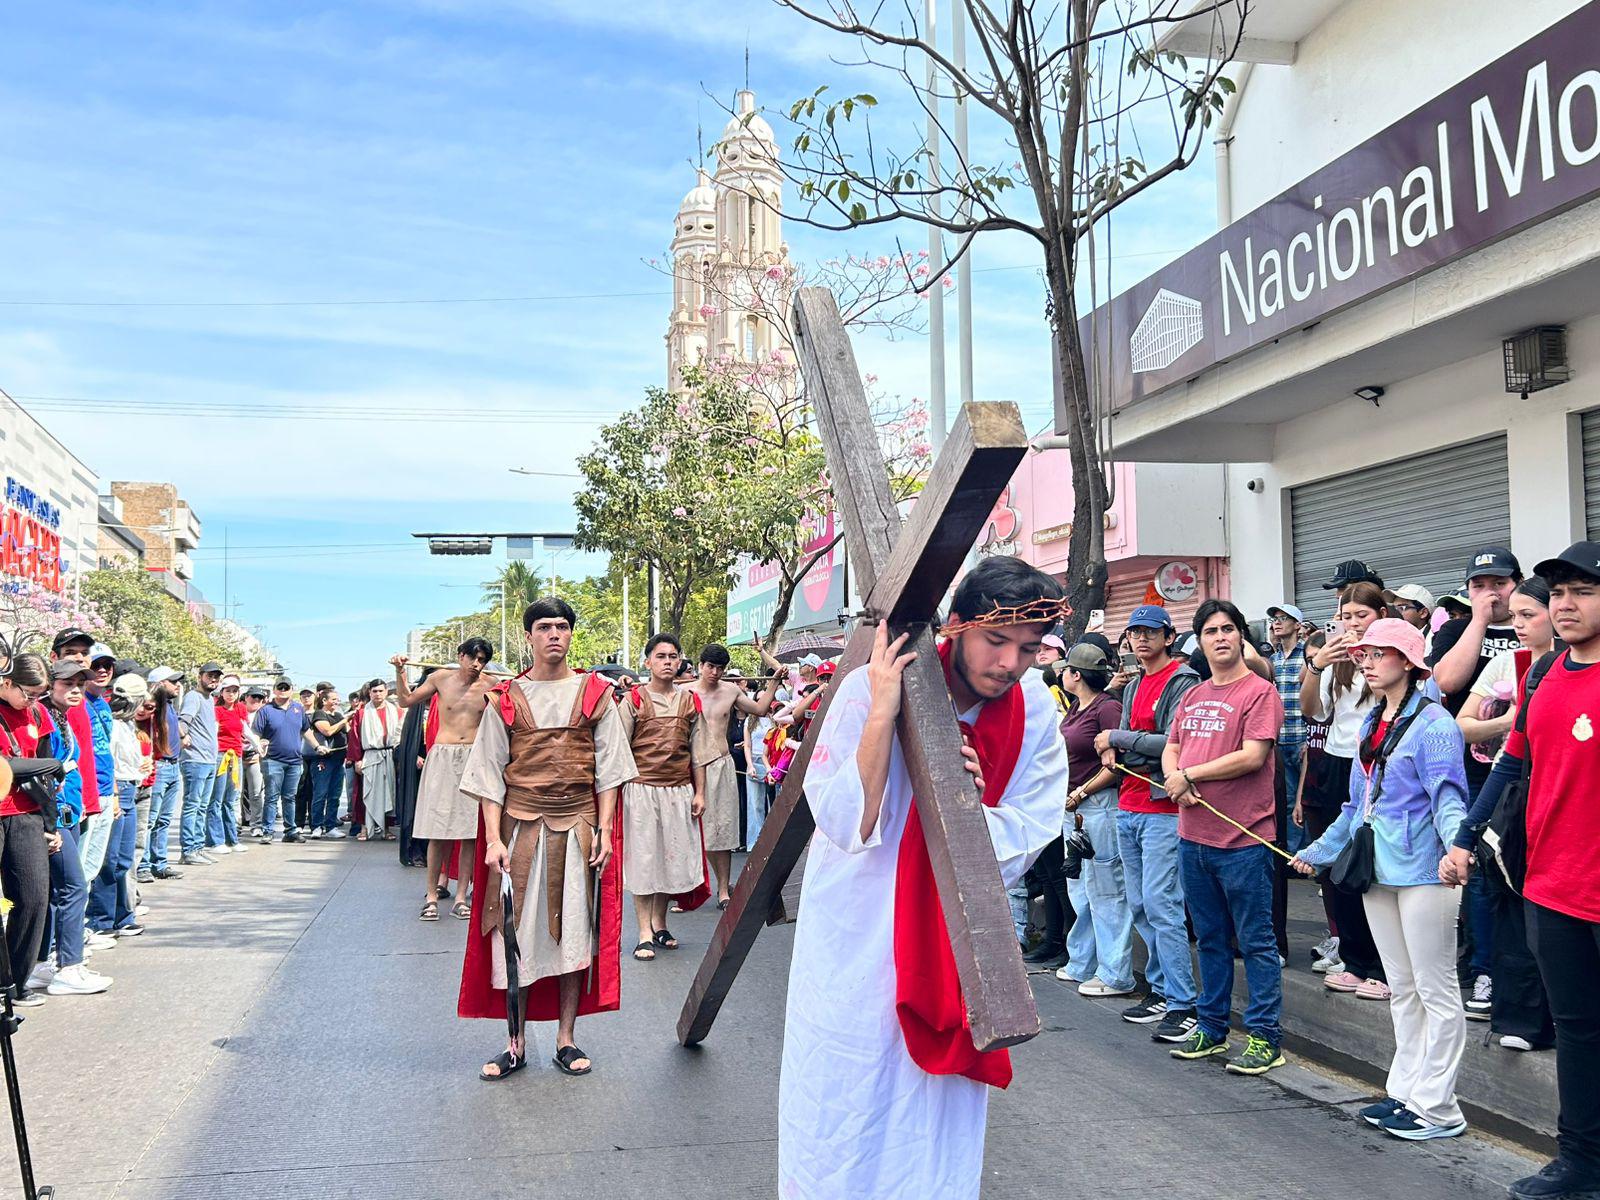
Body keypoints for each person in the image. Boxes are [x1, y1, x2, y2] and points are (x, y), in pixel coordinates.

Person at [778, 556, 1067, 1200]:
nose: (1009, 664)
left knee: (934, 1122)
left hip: (953, 937)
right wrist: (883, 713)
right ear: (957, 625)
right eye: (996, 641)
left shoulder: (1035, 712)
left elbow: (1033, 822)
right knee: (843, 1102)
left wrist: (969, 805)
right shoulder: (866, 686)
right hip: (857, 932)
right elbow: (845, 821)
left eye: (1027, 649)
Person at [1444, 543, 1600, 1200]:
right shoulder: (1542, 674)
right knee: (1576, 1034)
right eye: (1556, 593)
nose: (1564, 605)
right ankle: (1581, 1165)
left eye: (1581, 592)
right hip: (1552, 888)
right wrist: (1464, 838)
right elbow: (1512, 762)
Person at [1293, 618, 1469, 1141]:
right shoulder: (1372, 721)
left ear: (1410, 662)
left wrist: (1458, 850)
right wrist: (1318, 851)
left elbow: (1449, 798)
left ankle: (1439, 1108)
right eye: (1364, 654)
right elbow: (1355, 807)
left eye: (1379, 653)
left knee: (1436, 991)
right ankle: (1406, 1093)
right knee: (1403, 989)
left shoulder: (1435, 724)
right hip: (1378, 872)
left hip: (1425, 873)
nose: (1366, 662)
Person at [458, 597, 636, 1080]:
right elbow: (489, 774)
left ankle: (566, 1038)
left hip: (577, 829)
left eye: (561, 626)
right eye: (544, 627)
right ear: (530, 637)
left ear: (571, 634)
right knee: (513, 935)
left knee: (575, 935)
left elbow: (610, 772)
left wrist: (605, 830)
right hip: (519, 831)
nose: (554, 633)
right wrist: (493, 839)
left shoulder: (597, 694)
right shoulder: (507, 697)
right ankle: (514, 1045)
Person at [1163, 601, 1286, 1074]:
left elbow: (1253, 756)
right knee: (1210, 939)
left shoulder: (1260, 693)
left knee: (1256, 942)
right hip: (1193, 838)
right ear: (1199, 641)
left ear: (1241, 638)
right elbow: (1173, 745)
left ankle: (1264, 1037)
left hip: (1245, 840)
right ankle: (1211, 1028)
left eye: (1228, 629)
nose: (1220, 638)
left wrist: (1189, 775)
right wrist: (1177, 777)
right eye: (1210, 631)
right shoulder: (1192, 696)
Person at [1453, 577, 1556, 1045]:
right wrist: (1468, 831)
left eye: (1527, 615)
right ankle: (1519, 1014)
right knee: (1509, 901)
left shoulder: (1570, 668)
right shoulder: (1511, 665)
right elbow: (1475, 733)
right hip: (1513, 799)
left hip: (1559, 801)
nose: (1517, 625)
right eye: (1513, 616)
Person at [1093, 604, 1201, 1042]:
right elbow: (1114, 752)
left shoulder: (1183, 682)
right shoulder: (1134, 683)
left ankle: (1183, 1002)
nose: (1140, 639)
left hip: (1163, 809)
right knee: (1138, 903)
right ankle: (1159, 989)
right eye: (1134, 633)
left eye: (1149, 632)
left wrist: (1120, 740)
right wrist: (1122, 746)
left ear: (1168, 637)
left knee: (1162, 905)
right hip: (1130, 803)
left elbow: (1173, 743)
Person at [1430, 546, 1523, 1023]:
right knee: (1481, 872)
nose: (1491, 592)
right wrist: (1479, 622)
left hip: (1528, 772)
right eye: (1480, 585)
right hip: (1475, 770)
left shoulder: (1539, 621)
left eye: (1500, 583)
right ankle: (1483, 970)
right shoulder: (1457, 630)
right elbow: (1445, 682)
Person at [1297, 580, 1389, 996]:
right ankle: (1353, 958)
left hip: (1377, 762)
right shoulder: (1338, 659)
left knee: (1372, 862)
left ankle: (1383, 965)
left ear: (1381, 616)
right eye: (1346, 616)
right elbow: (1312, 712)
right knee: (1337, 867)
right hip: (1336, 762)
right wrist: (1318, 666)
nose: (1352, 624)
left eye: (1362, 615)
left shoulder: (1393, 656)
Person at [619, 633, 708, 959]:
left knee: (668, 862)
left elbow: (698, 752)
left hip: (678, 792)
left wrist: (700, 792)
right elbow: (618, 750)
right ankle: (643, 932)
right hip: (641, 791)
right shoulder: (634, 700)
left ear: (681, 660)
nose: (668, 661)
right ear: (648, 662)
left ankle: (660, 923)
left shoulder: (689, 701)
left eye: (673, 656)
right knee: (644, 861)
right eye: (661, 656)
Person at [394, 639, 495, 916]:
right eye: (473, 658)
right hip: (442, 756)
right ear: (460, 656)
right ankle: (431, 897)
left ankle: (461, 897)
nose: (477, 665)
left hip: (474, 758)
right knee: (437, 831)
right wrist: (400, 673)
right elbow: (405, 700)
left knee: (469, 833)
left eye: (482, 660)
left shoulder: (491, 684)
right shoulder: (440, 678)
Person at [1055, 641, 1133, 997]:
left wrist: (1082, 792)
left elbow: (1116, 766)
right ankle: (1082, 961)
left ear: (1076, 674)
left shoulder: (1107, 708)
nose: (1062, 673)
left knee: (1106, 889)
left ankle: (1116, 972)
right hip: (1074, 810)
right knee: (1081, 888)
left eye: (1066, 669)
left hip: (1098, 806)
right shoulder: (1076, 707)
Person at [687, 638, 784, 907]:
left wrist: (773, 681)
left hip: (721, 763)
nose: (714, 672)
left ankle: (723, 890)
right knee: (692, 832)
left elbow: (761, 709)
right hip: (689, 767)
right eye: (710, 666)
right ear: (700, 666)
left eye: (719, 667)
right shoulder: (683, 691)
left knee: (724, 830)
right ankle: (689, 890)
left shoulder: (730, 691)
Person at [38, 658, 109, 997]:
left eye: (80, 683)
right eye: (68, 683)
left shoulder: (60, 717)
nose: (76, 689)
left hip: (69, 814)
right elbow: (39, 778)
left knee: (57, 892)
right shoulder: (42, 719)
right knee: (73, 887)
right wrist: (50, 823)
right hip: (51, 818)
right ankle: (70, 967)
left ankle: (42, 963)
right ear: (50, 685)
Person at [0, 654, 56, 1006]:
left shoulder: (38, 713)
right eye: (29, 693)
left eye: (39, 694)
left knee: (35, 898)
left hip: (26, 814)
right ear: (6, 683)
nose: (33, 700)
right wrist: (42, 764)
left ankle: (13, 983)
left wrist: (51, 825)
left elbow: (48, 773)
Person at [89, 672, 149, 938]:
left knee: (124, 859)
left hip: (131, 788)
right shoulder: (112, 725)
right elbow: (107, 763)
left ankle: (121, 915)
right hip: (117, 791)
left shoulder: (128, 726)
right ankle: (101, 920)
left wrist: (142, 768)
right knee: (108, 860)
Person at [1267, 604, 1308, 852]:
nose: (1277, 623)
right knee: (1288, 798)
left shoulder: (1308, 656)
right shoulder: (1273, 660)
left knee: (1305, 799)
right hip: (1281, 739)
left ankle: (1308, 853)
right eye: (1275, 619)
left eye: (1284, 618)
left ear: (1297, 625)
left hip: (1302, 737)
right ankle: (1292, 852)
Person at [177, 661, 224, 866]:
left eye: (216, 677)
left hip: (209, 760)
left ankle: (197, 847)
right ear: (200, 676)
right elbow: (182, 723)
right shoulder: (193, 697)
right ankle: (188, 851)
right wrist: (183, 737)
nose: (213, 680)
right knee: (192, 806)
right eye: (209, 676)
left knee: (202, 807)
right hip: (195, 761)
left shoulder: (209, 700)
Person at [79, 644, 119, 882]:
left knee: (92, 869)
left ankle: (81, 919)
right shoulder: (76, 702)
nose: (103, 671)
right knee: (78, 872)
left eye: (108, 666)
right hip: (86, 796)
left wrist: (113, 793)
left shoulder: (103, 703)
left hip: (105, 793)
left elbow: (106, 752)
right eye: (97, 665)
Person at [140, 667, 184, 879]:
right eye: (172, 681)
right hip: (159, 766)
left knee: (164, 820)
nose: (177, 685)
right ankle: (143, 865)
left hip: (174, 766)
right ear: (159, 683)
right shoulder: (152, 707)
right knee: (150, 819)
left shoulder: (170, 706)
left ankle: (160, 863)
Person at [252, 679, 308, 843]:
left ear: (292, 689)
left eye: (286, 687)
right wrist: (258, 745)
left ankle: (290, 831)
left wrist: (318, 746)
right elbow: (256, 732)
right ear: (275, 690)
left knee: (290, 797)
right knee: (271, 797)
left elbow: (306, 731)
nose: (283, 690)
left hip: (294, 762)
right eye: (280, 687)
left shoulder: (298, 709)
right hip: (272, 760)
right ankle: (267, 831)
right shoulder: (265, 710)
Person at [356, 678, 402, 840]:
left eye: (381, 691)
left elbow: (401, 735)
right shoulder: (362, 712)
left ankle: (386, 828)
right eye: (374, 691)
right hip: (369, 756)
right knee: (366, 791)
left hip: (389, 755)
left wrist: (399, 759)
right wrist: (356, 759)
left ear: (386, 692)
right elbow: (354, 737)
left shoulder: (395, 711)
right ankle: (364, 828)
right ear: (369, 693)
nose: (377, 694)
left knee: (389, 793)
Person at [210, 674, 248, 854]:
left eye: (234, 691)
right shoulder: (217, 710)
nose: (231, 694)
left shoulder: (241, 708)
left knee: (231, 799)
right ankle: (216, 840)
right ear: (222, 692)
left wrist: (257, 745)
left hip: (236, 756)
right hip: (221, 755)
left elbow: (245, 729)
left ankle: (232, 839)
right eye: (228, 691)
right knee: (216, 799)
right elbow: (214, 731)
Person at [307, 686, 351, 840]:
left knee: (335, 795)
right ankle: (316, 825)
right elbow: (327, 731)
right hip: (323, 760)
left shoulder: (338, 714)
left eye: (337, 699)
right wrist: (345, 720)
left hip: (339, 760)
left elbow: (348, 731)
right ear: (324, 700)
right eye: (333, 699)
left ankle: (331, 825)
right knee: (320, 793)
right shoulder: (319, 714)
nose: (336, 702)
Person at [239, 686, 267, 833]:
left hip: (255, 758)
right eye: (253, 697)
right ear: (246, 698)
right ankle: (236, 824)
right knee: (236, 795)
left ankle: (256, 825)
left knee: (256, 793)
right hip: (236, 756)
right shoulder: (238, 711)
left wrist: (264, 744)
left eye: (259, 698)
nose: (256, 700)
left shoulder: (264, 715)